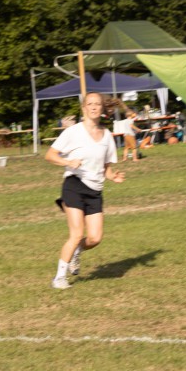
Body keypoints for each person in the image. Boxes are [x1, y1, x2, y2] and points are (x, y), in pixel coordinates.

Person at [45, 92, 124, 289]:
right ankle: (59, 278)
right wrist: (68, 162)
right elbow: (50, 155)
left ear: (102, 108)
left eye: (97, 104)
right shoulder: (73, 132)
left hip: (95, 190)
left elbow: (106, 167)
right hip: (74, 185)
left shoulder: (107, 135)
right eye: (90, 104)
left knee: (95, 238)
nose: (94, 107)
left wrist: (112, 176)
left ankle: (77, 251)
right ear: (84, 108)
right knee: (77, 233)